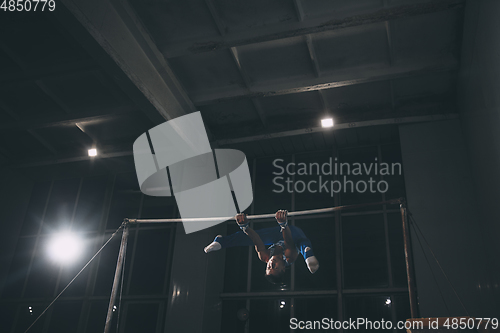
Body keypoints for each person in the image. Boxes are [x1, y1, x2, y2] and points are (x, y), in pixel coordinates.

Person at [204, 210, 319, 284]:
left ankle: (221, 241)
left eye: (269, 268)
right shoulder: (290, 258)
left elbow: (256, 240)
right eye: (275, 267)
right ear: (283, 268)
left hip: (275, 236)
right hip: (292, 234)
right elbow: (288, 241)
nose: (271, 264)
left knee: (248, 237)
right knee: (302, 242)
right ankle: (308, 254)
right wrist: (283, 225)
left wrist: (244, 226)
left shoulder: (265, 257)